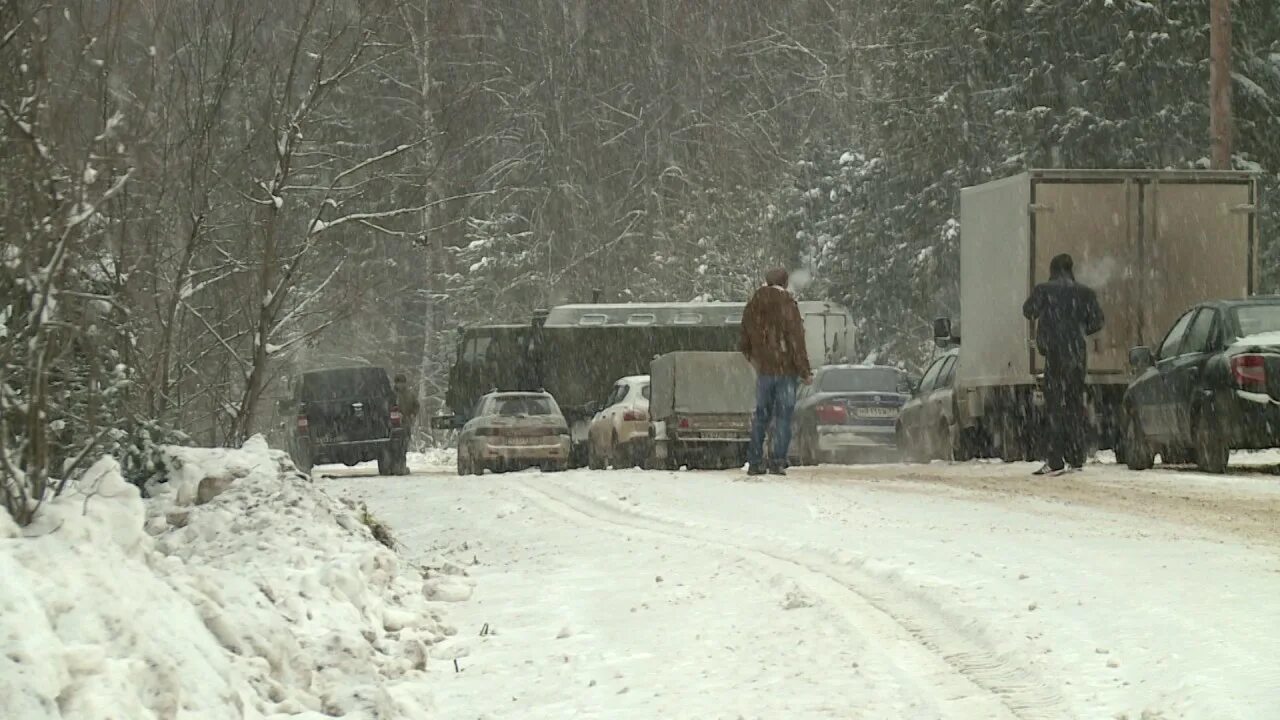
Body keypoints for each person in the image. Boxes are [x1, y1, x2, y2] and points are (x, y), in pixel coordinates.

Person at [1021, 253, 1104, 475]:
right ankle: (1076, 456)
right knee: (1075, 405)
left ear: (1053, 269)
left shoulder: (1045, 290)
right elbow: (1098, 321)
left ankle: (1055, 458)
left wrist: (1052, 326)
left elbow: (1028, 310)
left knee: (1055, 406)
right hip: (1077, 354)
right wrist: (1078, 330)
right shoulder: (1085, 293)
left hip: (1055, 354)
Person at [740, 268, 812, 476]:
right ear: (784, 282)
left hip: (764, 370)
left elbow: (744, 338)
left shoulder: (753, 305)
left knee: (761, 415)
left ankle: (754, 461)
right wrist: (804, 371)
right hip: (786, 370)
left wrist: (756, 358)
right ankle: (777, 461)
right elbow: (796, 340)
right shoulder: (787, 304)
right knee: (783, 417)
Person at [393, 372, 420, 475]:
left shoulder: (410, 394)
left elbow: (416, 405)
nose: (400, 385)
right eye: (398, 383)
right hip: (394, 424)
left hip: (406, 423)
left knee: (404, 446)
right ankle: (395, 466)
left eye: (402, 382)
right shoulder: (392, 394)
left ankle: (402, 466)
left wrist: (413, 414)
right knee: (395, 446)